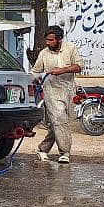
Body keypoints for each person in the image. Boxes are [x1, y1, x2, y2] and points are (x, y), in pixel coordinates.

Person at [31, 25, 83, 164]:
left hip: (68, 90)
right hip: (51, 91)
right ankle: (65, 152)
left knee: (59, 122)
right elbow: (35, 71)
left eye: (51, 40)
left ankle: (42, 149)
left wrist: (62, 70)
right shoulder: (44, 53)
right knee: (59, 118)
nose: (48, 43)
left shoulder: (70, 48)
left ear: (59, 39)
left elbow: (78, 66)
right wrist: (30, 79)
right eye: (47, 40)